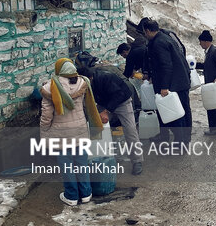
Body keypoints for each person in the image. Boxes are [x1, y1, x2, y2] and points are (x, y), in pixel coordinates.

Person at [40, 58, 104, 206]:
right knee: (81, 163)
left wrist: (44, 131)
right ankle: (86, 193)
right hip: (80, 129)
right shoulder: (82, 83)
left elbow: (46, 114)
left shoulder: (50, 87)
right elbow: (87, 106)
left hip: (61, 134)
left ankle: (71, 196)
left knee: (67, 165)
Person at [78, 66, 144, 175]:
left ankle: (137, 161)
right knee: (95, 126)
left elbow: (120, 94)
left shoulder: (106, 77)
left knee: (130, 130)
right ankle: (98, 157)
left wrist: (106, 111)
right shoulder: (85, 83)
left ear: (90, 78)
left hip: (122, 101)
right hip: (104, 103)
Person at [142, 18, 192, 143]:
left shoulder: (159, 43)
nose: (145, 35)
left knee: (177, 114)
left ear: (147, 31)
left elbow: (166, 65)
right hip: (181, 80)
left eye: (144, 32)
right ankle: (184, 140)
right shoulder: (166, 37)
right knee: (183, 111)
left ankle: (181, 142)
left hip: (174, 84)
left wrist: (164, 86)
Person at [195, 30, 216, 135]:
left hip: (214, 83)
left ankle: (215, 129)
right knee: (215, 104)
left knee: (212, 106)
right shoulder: (209, 52)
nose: (200, 44)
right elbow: (208, 65)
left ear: (205, 41)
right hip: (211, 84)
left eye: (200, 42)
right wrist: (195, 65)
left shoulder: (215, 51)